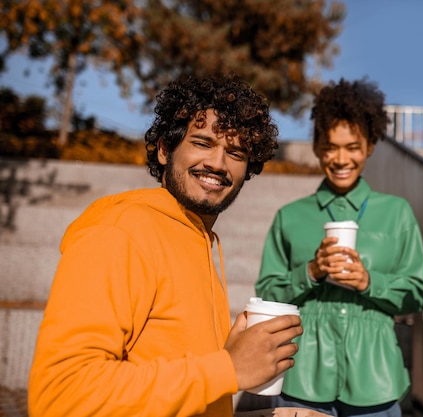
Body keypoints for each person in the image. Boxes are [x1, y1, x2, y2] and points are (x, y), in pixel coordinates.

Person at [28, 74, 303, 417]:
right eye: (202, 143)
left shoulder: (199, 238)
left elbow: (179, 394)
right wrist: (227, 367)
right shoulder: (120, 232)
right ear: (163, 150)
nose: (218, 163)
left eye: (234, 152)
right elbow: (61, 396)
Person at [254, 78, 423, 417]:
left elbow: (416, 294)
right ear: (317, 146)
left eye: (353, 147)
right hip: (301, 378)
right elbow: (266, 292)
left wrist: (368, 281)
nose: (341, 158)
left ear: (370, 146)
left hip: (376, 380)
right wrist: (310, 272)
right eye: (331, 146)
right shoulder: (290, 217)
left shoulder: (397, 213)